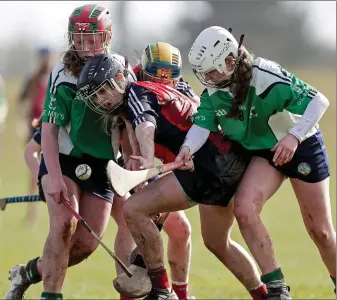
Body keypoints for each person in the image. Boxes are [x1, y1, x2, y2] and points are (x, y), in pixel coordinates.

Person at [77, 52, 268, 300]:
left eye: (103, 91)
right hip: (225, 163)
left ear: (122, 79)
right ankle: (266, 296)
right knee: (217, 242)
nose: (100, 100)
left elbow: (146, 127)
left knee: (134, 210)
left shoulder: (137, 92)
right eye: (95, 95)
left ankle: (161, 291)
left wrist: (145, 162)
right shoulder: (139, 100)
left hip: (207, 164)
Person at [176, 26, 336, 298]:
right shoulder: (215, 89)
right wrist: (186, 149)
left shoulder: (266, 75)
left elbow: (318, 100)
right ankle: (277, 290)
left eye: (212, 71)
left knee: (320, 231)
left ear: (229, 61)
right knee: (245, 209)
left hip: (301, 144)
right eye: (204, 73)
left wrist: (294, 138)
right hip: (265, 153)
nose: (208, 79)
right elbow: (202, 125)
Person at [4, 4, 136, 300]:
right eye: (79, 40)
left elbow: (130, 125)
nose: (85, 47)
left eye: (93, 39)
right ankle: (51, 295)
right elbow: (48, 131)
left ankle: (28, 273)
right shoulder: (62, 74)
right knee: (64, 225)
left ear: (108, 36)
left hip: (103, 164)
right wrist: (51, 176)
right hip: (63, 159)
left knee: (85, 245)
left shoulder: (123, 71)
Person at [116, 42, 196, 300]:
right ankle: (130, 294)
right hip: (131, 158)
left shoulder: (182, 88)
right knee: (131, 223)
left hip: (166, 161)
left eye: (168, 78)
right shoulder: (132, 86)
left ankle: (178, 294)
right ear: (145, 71)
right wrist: (136, 167)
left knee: (181, 230)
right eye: (155, 77)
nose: (163, 84)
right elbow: (129, 132)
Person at [17, 47, 53, 223]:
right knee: (34, 171)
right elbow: (21, 101)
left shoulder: (56, 77)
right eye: (42, 57)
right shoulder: (32, 79)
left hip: (53, 127)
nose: (44, 60)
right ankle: (33, 213)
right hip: (35, 128)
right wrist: (22, 123)